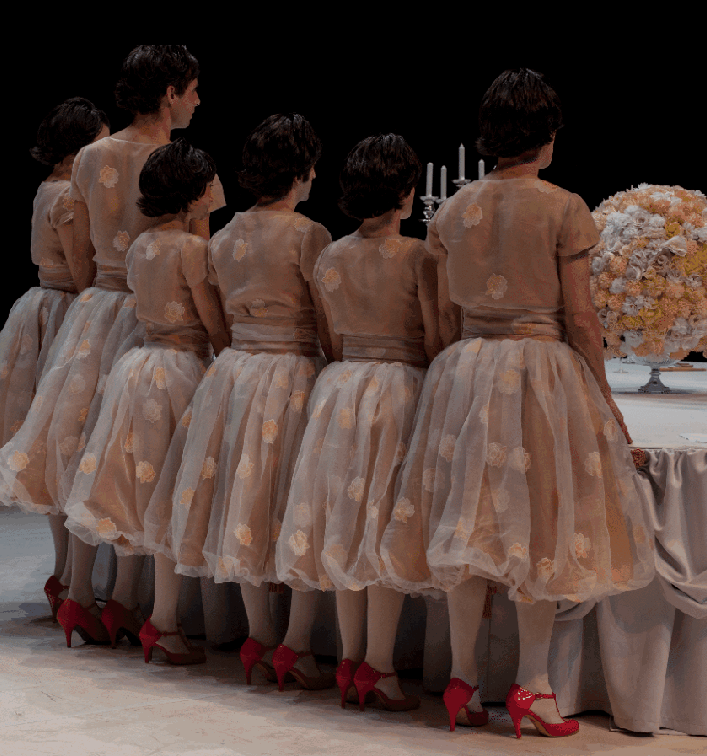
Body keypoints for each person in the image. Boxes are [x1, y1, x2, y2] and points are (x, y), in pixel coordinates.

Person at [379, 68, 654, 738]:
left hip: (466, 369)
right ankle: (533, 684)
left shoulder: (452, 210)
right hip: (538, 370)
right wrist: (604, 396)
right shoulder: (563, 207)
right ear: (548, 135)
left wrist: (457, 366)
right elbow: (581, 318)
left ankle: (463, 681)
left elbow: (443, 313)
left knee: (467, 524)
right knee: (540, 524)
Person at [0, 46, 222, 642]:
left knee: (88, 453)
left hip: (96, 313)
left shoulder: (91, 157)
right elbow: (202, 257)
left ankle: (78, 590)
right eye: (192, 90)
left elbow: (83, 255)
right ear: (170, 93)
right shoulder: (184, 166)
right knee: (144, 460)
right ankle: (127, 599)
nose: (198, 101)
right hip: (156, 321)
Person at [147, 114, 335, 689]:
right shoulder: (309, 235)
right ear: (300, 171)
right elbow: (325, 321)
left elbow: (223, 318)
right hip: (293, 373)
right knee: (300, 506)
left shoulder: (223, 237)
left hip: (237, 375)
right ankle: (296, 644)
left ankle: (261, 634)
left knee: (248, 505)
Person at [275, 134, 437, 711]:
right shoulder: (419, 257)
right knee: (386, 524)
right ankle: (380, 667)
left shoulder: (331, 256)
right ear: (406, 192)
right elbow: (436, 339)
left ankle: (349, 661)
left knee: (347, 525)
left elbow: (332, 339)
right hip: (398, 391)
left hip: (342, 390)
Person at [61, 138, 229, 660]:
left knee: (141, 485)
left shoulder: (139, 247)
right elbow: (210, 321)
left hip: (138, 366)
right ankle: (165, 620)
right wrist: (230, 356)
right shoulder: (192, 250)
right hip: (179, 368)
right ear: (194, 194)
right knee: (171, 493)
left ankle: (121, 603)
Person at [0, 97, 109, 620]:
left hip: (42, 309)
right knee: (67, 442)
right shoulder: (69, 196)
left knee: (57, 446)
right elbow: (84, 273)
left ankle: (64, 572)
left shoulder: (47, 188)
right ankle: (69, 575)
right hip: (65, 313)